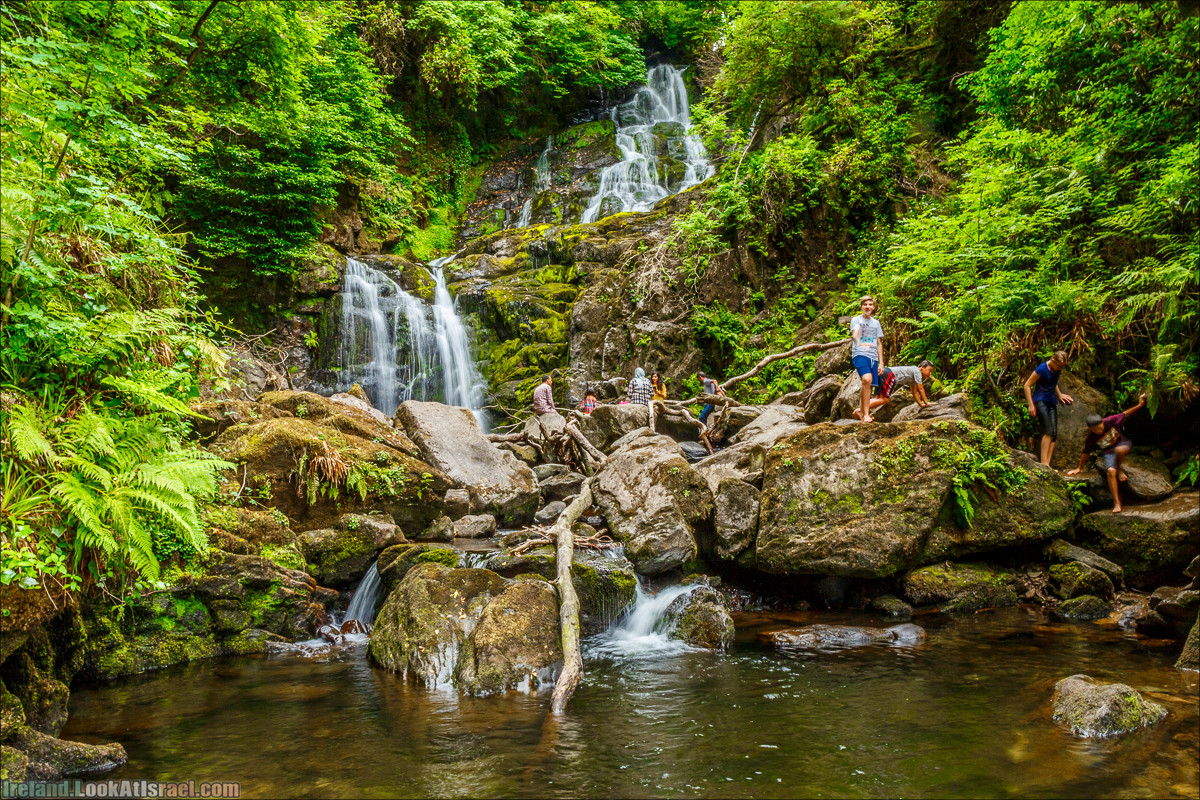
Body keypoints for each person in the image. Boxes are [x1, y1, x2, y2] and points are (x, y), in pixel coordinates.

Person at [1067, 393, 1147, 514]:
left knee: (1119, 451)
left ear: (1102, 423)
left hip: (1122, 445)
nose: (1100, 431)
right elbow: (1086, 452)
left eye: (1100, 427)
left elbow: (1125, 413)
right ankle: (1116, 502)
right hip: (1109, 452)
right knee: (1110, 471)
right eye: (1096, 430)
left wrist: (1140, 405)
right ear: (1090, 429)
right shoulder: (1091, 437)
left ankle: (1120, 470)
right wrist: (1079, 468)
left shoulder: (1110, 421)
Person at [1023, 350, 1074, 466]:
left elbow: (1053, 382)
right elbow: (1027, 385)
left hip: (1051, 401)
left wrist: (1059, 394)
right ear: (1053, 361)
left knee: (1054, 434)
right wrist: (1030, 404)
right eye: (1059, 366)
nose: (1060, 369)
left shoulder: (1056, 370)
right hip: (1040, 400)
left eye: (1062, 367)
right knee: (1049, 430)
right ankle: (1043, 464)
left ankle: (1048, 465)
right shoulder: (1042, 369)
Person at [853, 360, 935, 419]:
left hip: (885, 373)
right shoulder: (917, 371)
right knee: (885, 400)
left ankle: (861, 411)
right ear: (922, 367)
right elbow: (920, 389)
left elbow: (914, 393)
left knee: (879, 398)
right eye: (929, 371)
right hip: (889, 374)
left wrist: (921, 405)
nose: (930, 374)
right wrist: (927, 402)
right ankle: (860, 410)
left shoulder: (914, 377)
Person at [850, 295, 885, 423]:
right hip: (860, 354)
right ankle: (865, 415)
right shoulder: (856, 320)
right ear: (861, 306)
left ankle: (862, 412)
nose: (867, 307)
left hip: (873, 357)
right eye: (865, 304)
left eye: (870, 305)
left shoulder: (876, 323)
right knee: (867, 379)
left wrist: (881, 362)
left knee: (868, 385)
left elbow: (879, 343)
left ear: (873, 307)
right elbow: (855, 336)